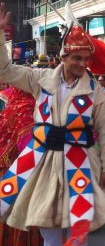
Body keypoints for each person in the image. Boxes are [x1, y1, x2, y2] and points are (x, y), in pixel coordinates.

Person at [0, 2, 105, 246]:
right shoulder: (40, 79)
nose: (82, 64)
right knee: (49, 229)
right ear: (63, 56)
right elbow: (4, 70)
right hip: (44, 162)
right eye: (77, 58)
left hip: (81, 163)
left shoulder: (95, 91)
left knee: (79, 226)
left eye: (86, 59)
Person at [0, 86, 43, 246]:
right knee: (20, 217)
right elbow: (26, 147)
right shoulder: (27, 109)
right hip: (20, 171)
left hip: (5, 170)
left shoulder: (10, 107)